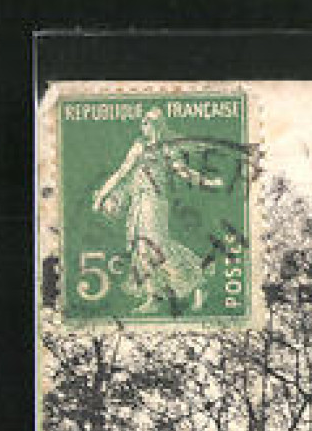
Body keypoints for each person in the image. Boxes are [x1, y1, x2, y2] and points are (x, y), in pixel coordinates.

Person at [92, 107, 224, 314]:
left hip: (155, 202)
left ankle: (198, 282)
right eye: (143, 122)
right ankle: (153, 296)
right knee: (142, 250)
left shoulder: (167, 149)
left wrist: (207, 182)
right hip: (139, 202)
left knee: (159, 247)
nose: (144, 126)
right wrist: (102, 196)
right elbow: (121, 173)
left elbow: (184, 172)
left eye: (148, 122)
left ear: (158, 125)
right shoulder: (138, 146)